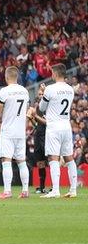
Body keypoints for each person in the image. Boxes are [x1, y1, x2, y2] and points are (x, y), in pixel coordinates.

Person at [37, 64, 77, 198]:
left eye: (52, 73)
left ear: (55, 74)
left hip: (54, 127)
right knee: (69, 158)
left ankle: (55, 190)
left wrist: (44, 93)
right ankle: (73, 190)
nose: (51, 75)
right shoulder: (70, 89)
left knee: (53, 157)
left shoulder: (50, 89)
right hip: (66, 125)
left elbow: (42, 108)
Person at [0, 66, 30, 199]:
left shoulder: (4, 91)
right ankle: (25, 190)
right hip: (20, 130)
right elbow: (26, 109)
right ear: (17, 77)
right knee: (21, 161)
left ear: (6, 76)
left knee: (6, 160)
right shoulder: (24, 91)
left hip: (8, 130)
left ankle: (7, 191)